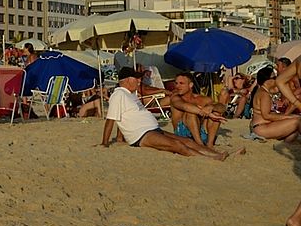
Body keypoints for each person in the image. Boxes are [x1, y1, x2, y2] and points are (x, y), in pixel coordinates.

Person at [100, 67, 240, 160]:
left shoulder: (129, 95)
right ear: (127, 80)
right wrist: (104, 143)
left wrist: (120, 138)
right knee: (177, 145)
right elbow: (111, 120)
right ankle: (210, 159)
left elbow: (124, 117)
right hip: (142, 135)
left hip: (152, 129)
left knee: (186, 141)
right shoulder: (118, 94)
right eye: (136, 79)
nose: (139, 81)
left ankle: (217, 154)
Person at [169, 72, 227, 149]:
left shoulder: (201, 99)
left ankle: (210, 143)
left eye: (181, 83)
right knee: (191, 114)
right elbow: (185, 107)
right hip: (183, 134)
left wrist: (212, 107)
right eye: (176, 83)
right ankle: (200, 145)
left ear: (190, 85)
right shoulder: (175, 98)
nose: (177, 86)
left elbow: (222, 107)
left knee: (216, 112)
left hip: (201, 132)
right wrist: (208, 113)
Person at [248, 66, 301, 142]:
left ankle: (286, 144)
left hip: (261, 126)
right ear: (267, 81)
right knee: (297, 121)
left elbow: (279, 89)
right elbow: (266, 115)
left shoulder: (262, 91)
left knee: (294, 128)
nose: (276, 79)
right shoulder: (264, 94)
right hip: (262, 128)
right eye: (274, 77)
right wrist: (288, 117)